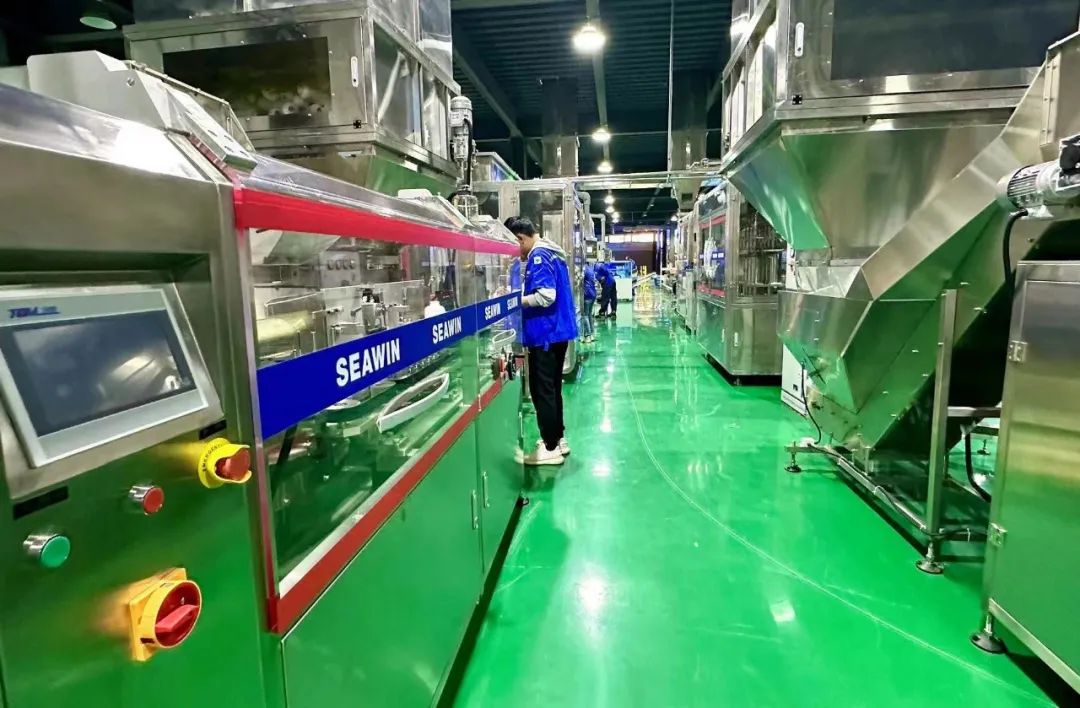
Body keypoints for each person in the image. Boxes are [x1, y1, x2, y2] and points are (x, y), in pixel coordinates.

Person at [506, 216, 578, 466]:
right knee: (552, 389)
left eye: (514, 245)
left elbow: (546, 296)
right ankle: (557, 438)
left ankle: (549, 447)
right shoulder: (554, 252)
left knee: (542, 391)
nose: (517, 252)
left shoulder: (538, 255)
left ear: (520, 238)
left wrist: (516, 301)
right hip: (557, 333)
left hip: (545, 334)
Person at [581, 260, 597, 343]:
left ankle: (587, 336)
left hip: (587, 294)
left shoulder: (584, 269)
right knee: (589, 314)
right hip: (593, 293)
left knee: (585, 315)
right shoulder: (591, 269)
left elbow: (579, 278)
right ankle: (592, 335)